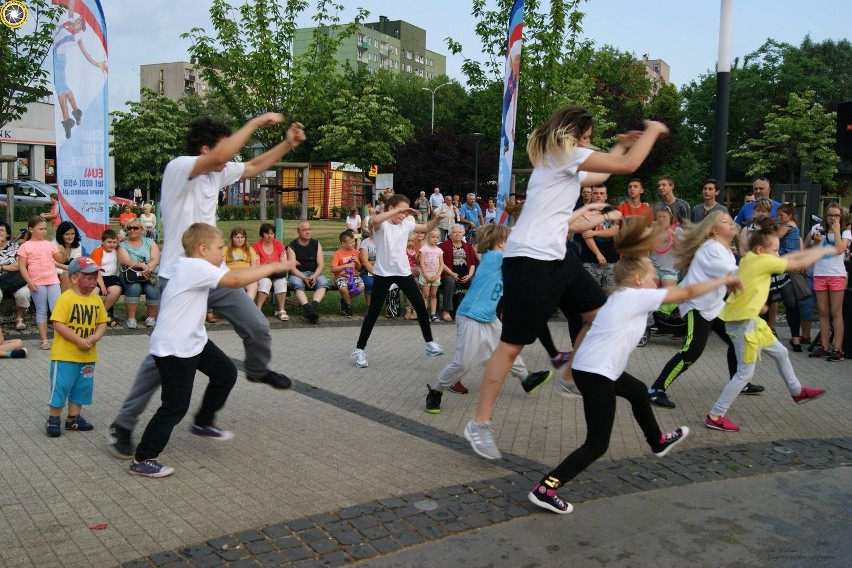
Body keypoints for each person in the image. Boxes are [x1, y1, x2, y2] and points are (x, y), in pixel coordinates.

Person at [463, 105, 667, 461]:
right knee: (512, 346)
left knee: (601, 317)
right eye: (587, 139)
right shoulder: (561, 157)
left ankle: (569, 376)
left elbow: (599, 176)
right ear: (571, 135)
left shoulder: (562, 164)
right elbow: (628, 168)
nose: (589, 146)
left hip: (557, 257)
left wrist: (618, 145)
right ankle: (479, 424)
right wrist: (651, 130)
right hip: (530, 261)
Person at [109, 114, 305, 459]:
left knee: (258, 326)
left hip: (214, 274)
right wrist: (256, 123)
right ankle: (123, 425)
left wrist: (287, 144)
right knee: (161, 360)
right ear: (204, 148)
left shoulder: (219, 171)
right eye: (223, 147)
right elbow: (219, 157)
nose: (229, 158)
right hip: (178, 276)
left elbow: (254, 165)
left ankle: (255, 372)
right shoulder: (180, 168)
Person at [527, 219, 738, 514]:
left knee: (638, 391)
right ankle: (546, 487)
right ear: (638, 279)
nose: (656, 282)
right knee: (597, 444)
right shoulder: (637, 297)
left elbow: (591, 326)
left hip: (598, 370)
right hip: (598, 374)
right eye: (653, 277)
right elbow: (686, 294)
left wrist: (571, 367)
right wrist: (724, 280)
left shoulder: (619, 298)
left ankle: (657, 441)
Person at [128, 223, 295, 477]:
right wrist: (275, 266)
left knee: (226, 373)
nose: (223, 252)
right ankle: (143, 458)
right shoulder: (194, 266)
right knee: (175, 407)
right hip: (175, 347)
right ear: (203, 249)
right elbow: (236, 280)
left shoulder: (197, 266)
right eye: (219, 248)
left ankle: (204, 421)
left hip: (194, 340)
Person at [705, 218, 834, 433]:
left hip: (749, 321)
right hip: (742, 326)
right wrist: (823, 250)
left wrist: (753, 302)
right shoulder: (763, 260)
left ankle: (796, 391)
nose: (777, 254)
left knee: (782, 352)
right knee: (744, 374)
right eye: (774, 250)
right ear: (761, 249)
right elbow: (796, 264)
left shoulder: (749, 259)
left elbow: (788, 258)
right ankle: (715, 415)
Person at [426, 224, 554, 412]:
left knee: (506, 349)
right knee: (463, 363)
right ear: (502, 244)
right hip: (470, 316)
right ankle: (436, 392)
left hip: (489, 316)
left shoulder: (501, 260)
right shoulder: (494, 258)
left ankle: (527, 379)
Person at [647, 212, 748, 409]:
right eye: (725, 221)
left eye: (730, 220)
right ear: (714, 229)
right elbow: (732, 274)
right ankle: (655, 390)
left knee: (738, 339)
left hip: (715, 305)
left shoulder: (726, 250)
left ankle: (740, 382)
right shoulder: (712, 249)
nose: (731, 223)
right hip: (697, 306)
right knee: (692, 350)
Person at [351, 195, 443, 368]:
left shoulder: (406, 225)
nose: (404, 216)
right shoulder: (382, 225)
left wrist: (437, 218)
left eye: (405, 213)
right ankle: (360, 350)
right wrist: (400, 210)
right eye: (401, 212)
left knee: (420, 305)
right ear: (391, 208)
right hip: (383, 274)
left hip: (402, 272)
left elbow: (427, 226)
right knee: (373, 312)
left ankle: (429, 343)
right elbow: (375, 219)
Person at [45, 257, 108, 437]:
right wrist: (78, 340)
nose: (93, 282)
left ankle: (73, 418)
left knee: (82, 388)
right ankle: (54, 418)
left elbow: (102, 322)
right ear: (73, 278)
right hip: (65, 355)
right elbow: (58, 324)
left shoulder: (96, 300)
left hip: (87, 356)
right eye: (88, 278)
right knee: (61, 386)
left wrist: (96, 336)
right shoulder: (66, 299)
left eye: (95, 278)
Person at [52, 1, 108, 139]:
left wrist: (97, 64)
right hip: (56, 56)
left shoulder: (77, 37)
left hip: (59, 59)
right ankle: (76, 111)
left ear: (81, 28)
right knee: (64, 88)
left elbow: (85, 53)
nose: (77, 23)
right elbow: (71, 7)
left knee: (60, 90)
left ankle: (67, 120)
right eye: (78, 21)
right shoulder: (70, 22)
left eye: (80, 25)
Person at [806, 203, 851, 361]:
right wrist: (816, 243)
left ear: (841, 217)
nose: (833, 218)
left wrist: (837, 231)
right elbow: (808, 251)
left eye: (837, 215)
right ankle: (824, 347)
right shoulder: (817, 229)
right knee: (823, 312)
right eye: (830, 215)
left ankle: (838, 349)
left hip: (836, 275)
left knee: (836, 312)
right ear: (825, 216)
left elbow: (839, 250)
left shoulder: (845, 232)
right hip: (820, 274)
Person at [17, 216, 62, 351]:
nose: (44, 231)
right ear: (31, 229)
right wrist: (29, 282)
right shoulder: (25, 246)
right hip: (37, 282)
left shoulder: (49, 244)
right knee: (41, 310)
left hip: (52, 280)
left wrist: (61, 250)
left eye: (45, 229)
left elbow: (59, 259)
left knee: (56, 310)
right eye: (40, 229)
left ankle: (59, 339)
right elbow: (22, 267)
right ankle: (44, 340)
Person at [118, 219, 160, 329]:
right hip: (130, 274)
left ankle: (151, 318)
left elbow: (155, 259)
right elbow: (125, 261)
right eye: (129, 228)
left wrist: (148, 269)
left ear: (142, 230)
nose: (132, 230)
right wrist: (142, 266)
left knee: (152, 288)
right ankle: (131, 318)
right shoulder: (123, 245)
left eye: (135, 228)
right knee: (134, 287)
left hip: (149, 273)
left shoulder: (150, 242)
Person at [287, 222, 331, 323]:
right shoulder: (292, 246)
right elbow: (292, 268)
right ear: (298, 232)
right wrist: (303, 278)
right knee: (297, 284)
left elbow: (321, 265)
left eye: (309, 229)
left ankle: (311, 308)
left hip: (314, 272)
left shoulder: (316, 244)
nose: (308, 231)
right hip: (298, 273)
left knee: (323, 283)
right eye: (304, 230)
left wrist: (315, 276)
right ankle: (308, 309)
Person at [579, 185, 620, 292]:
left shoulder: (611, 210)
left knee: (609, 292)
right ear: (591, 195)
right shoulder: (585, 211)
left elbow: (614, 231)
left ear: (606, 196)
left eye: (601, 193)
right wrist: (598, 254)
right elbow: (586, 235)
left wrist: (594, 232)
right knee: (592, 292)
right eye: (596, 193)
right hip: (590, 259)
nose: (598, 196)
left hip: (611, 258)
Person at [439, 224, 478, 322]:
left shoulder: (468, 246)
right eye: (455, 232)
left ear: (463, 234)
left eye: (459, 232)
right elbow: (441, 263)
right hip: (448, 274)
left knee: (475, 281)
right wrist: (452, 273)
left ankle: (472, 310)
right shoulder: (443, 246)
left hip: (466, 275)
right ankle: (446, 311)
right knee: (450, 281)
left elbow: (473, 263)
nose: (457, 234)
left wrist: (470, 275)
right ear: (450, 234)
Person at [253, 223, 289, 320]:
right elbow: (256, 265)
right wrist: (266, 264)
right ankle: (258, 309)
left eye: (272, 233)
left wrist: (274, 264)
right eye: (267, 233)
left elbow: (284, 263)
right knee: (265, 282)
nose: (270, 236)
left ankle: (281, 310)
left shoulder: (279, 244)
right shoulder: (256, 246)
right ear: (262, 234)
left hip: (277, 272)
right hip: (263, 273)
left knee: (281, 282)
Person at [0, 221, 31, 331]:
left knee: (24, 293)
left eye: (1, 230)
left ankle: (19, 318)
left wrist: (2, 268)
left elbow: (19, 265)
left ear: (8, 234)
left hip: (14, 280)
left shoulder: (15, 247)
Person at [90, 229, 123, 328]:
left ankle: (102, 314)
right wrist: (102, 286)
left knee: (116, 290)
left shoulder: (116, 249)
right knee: (94, 291)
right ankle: (104, 316)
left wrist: (119, 239)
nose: (111, 245)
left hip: (111, 276)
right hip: (97, 276)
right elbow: (97, 270)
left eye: (114, 242)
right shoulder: (98, 251)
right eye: (109, 242)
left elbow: (124, 238)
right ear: (102, 241)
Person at [331, 230, 364, 318]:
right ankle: (349, 306)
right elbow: (333, 269)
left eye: (354, 241)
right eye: (351, 242)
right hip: (341, 276)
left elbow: (359, 269)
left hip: (354, 276)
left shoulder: (356, 252)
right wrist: (346, 265)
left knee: (361, 287)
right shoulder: (338, 254)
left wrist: (358, 262)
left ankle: (344, 299)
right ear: (343, 243)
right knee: (343, 289)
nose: (353, 244)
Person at [224, 226, 260, 302]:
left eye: (242, 237)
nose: (240, 240)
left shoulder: (250, 249)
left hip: (246, 276)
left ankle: (246, 306)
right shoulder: (226, 249)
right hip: (231, 276)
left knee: (253, 285)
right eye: (237, 237)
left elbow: (254, 266)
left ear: (245, 238)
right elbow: (222, 266)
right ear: (232, 238)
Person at [649, 205, 680, 289]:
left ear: (670, 216)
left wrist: (674, 236)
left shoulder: (678, 231)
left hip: (670, 270)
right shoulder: (653, 230)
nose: (661, 219)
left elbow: (683, 249)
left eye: (664, 216)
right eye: (659, 217)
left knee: (669, 298)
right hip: (654, 267)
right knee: (652, 295)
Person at [419, 229, 444, 323]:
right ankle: (424, 314)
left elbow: (441, 264)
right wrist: (426, 275)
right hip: (426, 274)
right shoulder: (424, 248)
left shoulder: (439, 250)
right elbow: (421, 262)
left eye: (437, 237)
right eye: (433, 237)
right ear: (428, 238)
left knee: (433, 295)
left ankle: (433, 313)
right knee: (426, 295)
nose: (435, 239)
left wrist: (438, 275)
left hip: (435, 275)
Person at [359, 225, 377, 309]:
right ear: (370, 228)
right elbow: (365, 262)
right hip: (367, 271)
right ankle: (371, 308)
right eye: (375, 226)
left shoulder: (385, 241)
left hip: (384, 271)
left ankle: (390, 310)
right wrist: (376, 273)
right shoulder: (365, 243)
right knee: (370, 283)